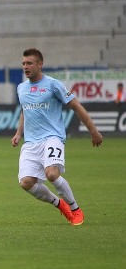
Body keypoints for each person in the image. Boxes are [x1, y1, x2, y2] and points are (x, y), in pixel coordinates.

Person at [10, 48, 103, 226]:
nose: (25, 67)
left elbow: (75, 106)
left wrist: (93, 130)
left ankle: (75, 209)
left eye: (29, 63)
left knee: (51, 174)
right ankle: (59, 204)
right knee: (26, 183)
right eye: (23, 63)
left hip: (52, 137)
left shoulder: (53, 85)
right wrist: (18, 133)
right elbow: (25, 110)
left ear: (40, 64)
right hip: (31, 142)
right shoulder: (21, 88)